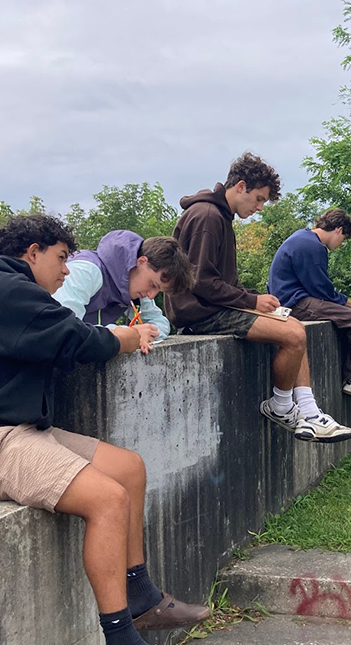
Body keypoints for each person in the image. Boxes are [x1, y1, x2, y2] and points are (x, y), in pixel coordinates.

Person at [0, 215, 210, 645]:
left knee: (128, 468)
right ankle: (120, 635)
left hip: (22, 425)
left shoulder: (16, 289)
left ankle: (141, 595)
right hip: (4, 437)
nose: (65, 269)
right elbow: (74, 338)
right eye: (60, 258)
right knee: (108, 500)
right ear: (32, 252)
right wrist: (122, 339)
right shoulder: (11, 290)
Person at [165, 152, 351, 444]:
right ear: (241, 187)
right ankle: (282, 406)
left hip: (214, 306)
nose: (260, 207)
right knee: (293, 333)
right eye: (259, 199)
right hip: (199, 313)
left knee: (292, 322)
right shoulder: (208, 217)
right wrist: (252, 302)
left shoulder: (219, 217)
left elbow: (218, 281)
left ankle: (307, 411)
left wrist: (254, 298)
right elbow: (201, 282)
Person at [267, 208, 351, 407]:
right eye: (343, 239)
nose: (340, 245)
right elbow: (319, 287)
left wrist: (340, 303)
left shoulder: (303, 237)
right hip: (295, 303)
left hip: (292, 298)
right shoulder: (313, 246)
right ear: (338, 230)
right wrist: (341, 299)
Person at [53, 230, 194, 352]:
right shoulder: (86, 272)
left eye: (159, 291)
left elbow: (159, 321)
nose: (151, 296)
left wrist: (143, 335)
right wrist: (126, 335)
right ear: (142, 261)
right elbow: (65, 328)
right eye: (153, 285)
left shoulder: (134, 284)